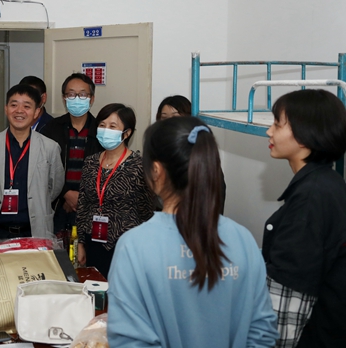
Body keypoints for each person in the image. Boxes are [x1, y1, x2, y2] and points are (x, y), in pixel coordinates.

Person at [107, 116, 279, 348]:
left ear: (156, 171)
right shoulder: (243, 239)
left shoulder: (134, 246)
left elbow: (129, 341)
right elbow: (262, 331)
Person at [262, 89, 346, 347]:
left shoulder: (311, 197)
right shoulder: (325, 182)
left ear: (304, 134)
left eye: (278, 124)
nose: (269, 131)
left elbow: (287, 305)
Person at [0, 84, 65, 243]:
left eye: (27, 106)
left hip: (35, 231)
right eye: (14, 105)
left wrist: (38, 199)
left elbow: (54, 187)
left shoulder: (50, 147)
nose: (19, 111)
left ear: (36, 112)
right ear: (6, 109)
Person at [75, 104, 156, 278]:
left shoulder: (139, 166)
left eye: (112, 126)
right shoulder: (90, 162)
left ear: (126, 133)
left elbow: (146, 211)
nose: (106, 130)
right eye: (102, 125)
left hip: (126, 244)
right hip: (93, 240)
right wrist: (81, 243)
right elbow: (83, 205)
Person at [41, 73, 104, 234]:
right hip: (57, 205)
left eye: (82, 94)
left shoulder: (101, 131)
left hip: (92, 207)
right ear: (64, 98)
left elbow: (106, 170)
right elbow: (42, 168)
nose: (76, 99)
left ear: (92, 99)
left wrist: (80, 198)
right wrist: (66, 194)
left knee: (86, 248)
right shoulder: (51, 129)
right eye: (71, 94)